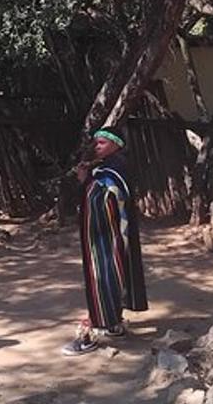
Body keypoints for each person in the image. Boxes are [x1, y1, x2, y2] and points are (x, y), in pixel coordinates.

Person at [62, 127, 149, 356]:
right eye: (96, 143)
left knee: (102, 278)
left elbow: (102, 200)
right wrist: (88, 178)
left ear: (116, 144)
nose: (97, 146)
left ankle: (94, 331)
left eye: (102, 142)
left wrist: (86, 181)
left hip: (106, 237)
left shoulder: (113, 170)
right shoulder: (108, 168)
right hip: (110, 235)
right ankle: (113, 323)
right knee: (112, 275)